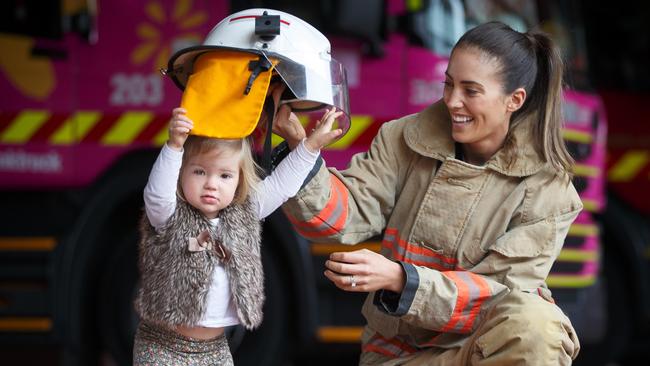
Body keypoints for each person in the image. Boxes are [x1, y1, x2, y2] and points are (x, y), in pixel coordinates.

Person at [279, 21, 582, 365]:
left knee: (538, 326)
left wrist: (400, 279)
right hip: (396, 354)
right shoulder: (402, 138)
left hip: (481, 349)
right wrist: (299, 153)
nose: (453, 101)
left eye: (471, 91)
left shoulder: (550, 191)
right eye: (448, 84)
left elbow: (497, 296)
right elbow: (342, 216)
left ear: (514, 100)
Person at [132, 106, 342, 365]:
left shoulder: (245, 212)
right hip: (163, 348)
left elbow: (281, 185)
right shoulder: (167, 215)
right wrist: (174, 147)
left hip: (215, 350)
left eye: (225, 175)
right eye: (199, 171)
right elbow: (156, 194)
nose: (211, 183)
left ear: (239, 181)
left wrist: (310, 147)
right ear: (181, 173)